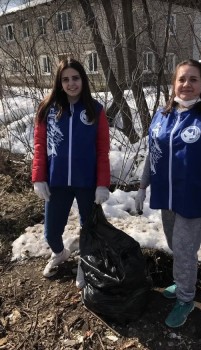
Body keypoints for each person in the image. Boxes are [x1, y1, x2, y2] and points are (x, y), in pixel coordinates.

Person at [135, 59, 201, 328]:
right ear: (174, 83)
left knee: (184, 249)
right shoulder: (162, 115)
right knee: (174, 244)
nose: (187, 84)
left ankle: (186, 298)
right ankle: (184, 280)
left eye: (194, 79)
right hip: (165, 196)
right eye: (182, 79)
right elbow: (152, 154)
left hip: (193, 198)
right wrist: (141, 187)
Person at [32, 58, 110, 280]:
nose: (71, 83)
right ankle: (60, 253)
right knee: (51, 232)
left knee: (90, 228)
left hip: (87, 183)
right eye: (65, 79)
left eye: (75, 78)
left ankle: (86, 264)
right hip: (56, 182)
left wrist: (103, 184)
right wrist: (38, 177)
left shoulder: (95, 110)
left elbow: (103, 149)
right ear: (59, 82)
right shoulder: (47, 109)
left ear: (83, 79)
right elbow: (39, 146)